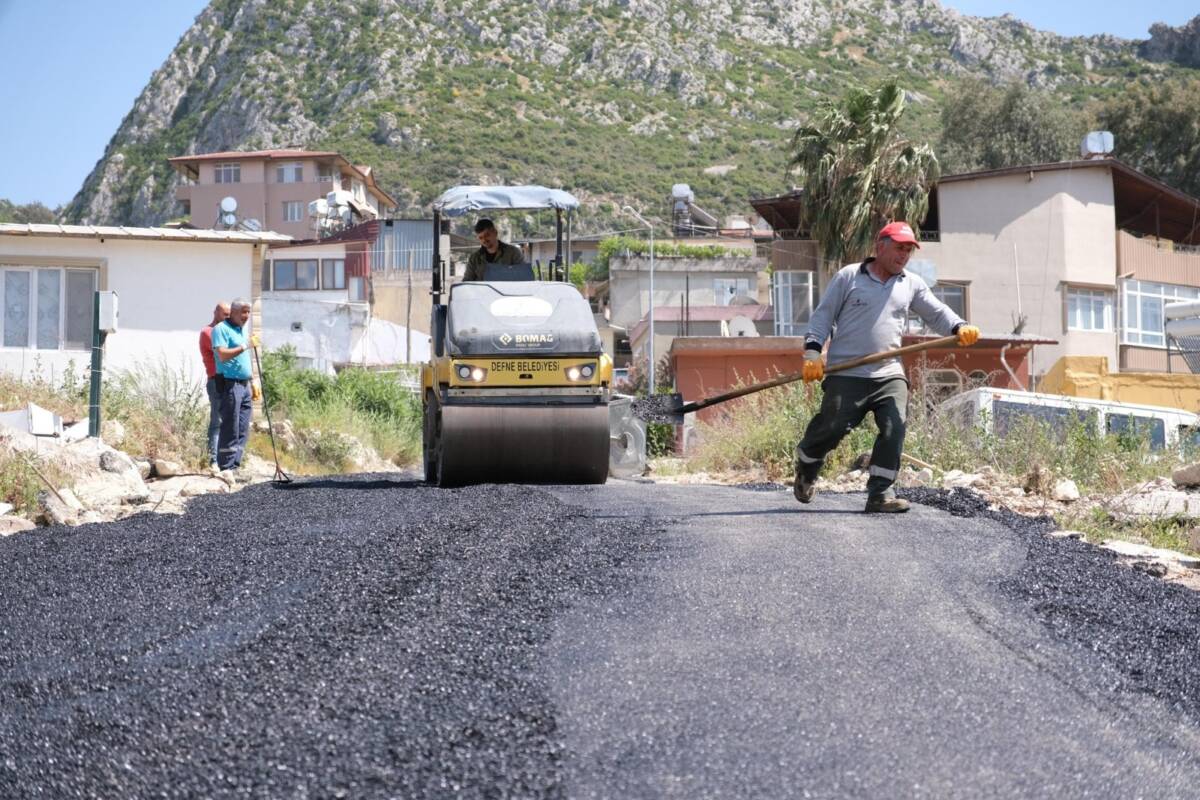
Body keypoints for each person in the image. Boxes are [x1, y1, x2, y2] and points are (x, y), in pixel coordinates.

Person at [794, 221, 980, 513]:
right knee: (831, 428)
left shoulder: (911, 283)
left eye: (908, 250)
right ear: (880, 247)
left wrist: (959, 326)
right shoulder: (849, 277)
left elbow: (937, 312)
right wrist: (813, 352)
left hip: (888, 372)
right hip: (847, 372)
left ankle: (880, 493)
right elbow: (822, 317)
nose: (904, 255)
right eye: (899, 248)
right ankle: (807, 464)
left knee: (895, 425)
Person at [212, 299, 260, 473]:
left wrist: (253, 379)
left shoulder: (240, 330)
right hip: (230, 384)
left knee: (242, 427)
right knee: (230, 427)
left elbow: (243, 360)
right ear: (233, 312)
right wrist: (245, 345)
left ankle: (235, 465)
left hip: (244, 384)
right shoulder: (221, 329)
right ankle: (226, 467)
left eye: (248, 312)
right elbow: (223, 355)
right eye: (243, 312)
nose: (246, 316)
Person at [200, 302, 230, 469]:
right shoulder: (208, 332)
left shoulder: (226, 331)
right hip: (216, 380)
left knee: (231, 422)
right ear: (216, 313)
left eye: (229, 315)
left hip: (230, 381)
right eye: (225, 314)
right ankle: (214, 460)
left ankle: (228, 460)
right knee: (217, 421)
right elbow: (223, 352)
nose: (227, 318)